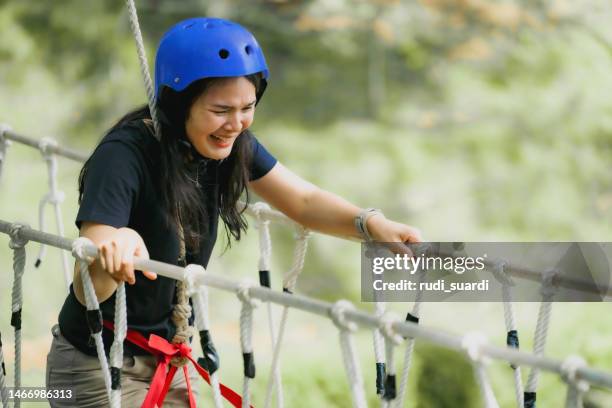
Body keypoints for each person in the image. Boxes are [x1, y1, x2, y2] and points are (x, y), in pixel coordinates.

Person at [46, 17, 422, 407]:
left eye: (248, 107)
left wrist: (370, 224)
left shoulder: (228, 144)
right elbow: (85, 283)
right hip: (95, 367)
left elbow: (303, 202)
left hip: (169, 361)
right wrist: (115, 249)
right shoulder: (123, 156)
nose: (237, 123)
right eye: (221, 109)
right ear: (178, 104)